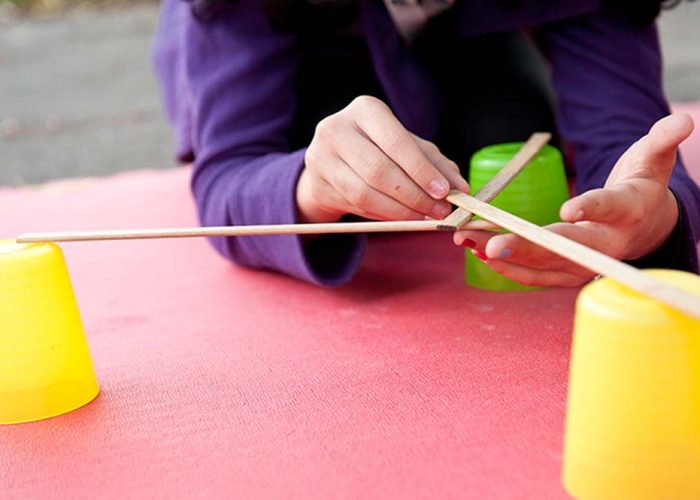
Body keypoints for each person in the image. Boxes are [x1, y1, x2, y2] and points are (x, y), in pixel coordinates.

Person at [152, 0, 700, 287]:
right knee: (348, 150)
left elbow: (626, 137)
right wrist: (310, 186)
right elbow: (229, 181)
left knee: (506, 127)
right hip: (302, 62)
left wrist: (656, 218)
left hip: (466, 45)